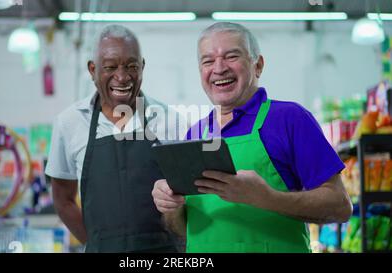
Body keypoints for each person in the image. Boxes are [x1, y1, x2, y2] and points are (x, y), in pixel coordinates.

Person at [151, 22, 353, 253]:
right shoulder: (194, 134)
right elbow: (183, 228)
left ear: (258, 65)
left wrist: (267, 198)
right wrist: (170, 206)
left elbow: (340, 206)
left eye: (231, 56)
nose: (219, 68)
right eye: (208, 61)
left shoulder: (289, 119)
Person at [45, 25, 186, 253]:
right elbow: (63, 200)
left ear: (142, 67)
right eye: (110, 67)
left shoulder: (170, 121)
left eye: (131, 66)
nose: (122, 77)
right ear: (92, 70)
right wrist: (95, 243)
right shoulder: (69, 123)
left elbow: (189, 199)